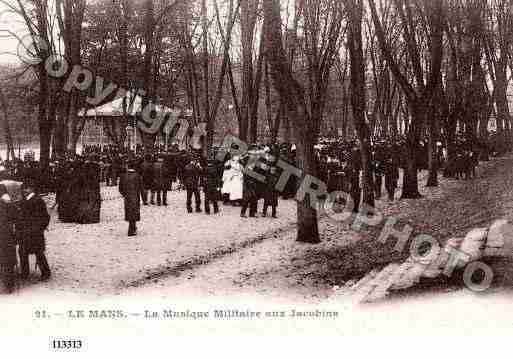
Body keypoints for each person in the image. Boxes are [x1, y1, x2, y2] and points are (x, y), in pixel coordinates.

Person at [18, 181, 51, 281]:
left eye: (26, 188)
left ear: (32, 189)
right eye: (23, 189)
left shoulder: (37, 200)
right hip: (26, 231)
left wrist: (39, 228)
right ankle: (25, 272)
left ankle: (46, 273)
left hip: (34, 232)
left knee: (38, 252)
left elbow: (45, 217)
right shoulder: (24, 200)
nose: (24, 191)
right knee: (23, 251)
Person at [119, 161, 143, 236]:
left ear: (127, 166)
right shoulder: (137, 176)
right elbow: (141, 188)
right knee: (134, 211)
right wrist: (144, 198)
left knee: (129, 211)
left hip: (127, 197)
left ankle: (131, 227)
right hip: (135, 196)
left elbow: (120, 188)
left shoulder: (123, 176)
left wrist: (124, 194)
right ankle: (132, 228)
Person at [0, 184, 17, 293]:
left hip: (5, 235)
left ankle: (8, 284)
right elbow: (16, 218)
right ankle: (8, 285)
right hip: (8, 235)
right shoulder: (10, 203)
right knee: (8, 260)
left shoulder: (4, 203)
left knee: (5, 260)